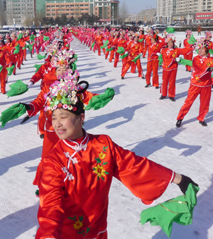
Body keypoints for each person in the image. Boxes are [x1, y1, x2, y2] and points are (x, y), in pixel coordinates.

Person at [35, 74, 197, 238]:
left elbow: (133, 165)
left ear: (81, 118)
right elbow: (50, 203)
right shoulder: (54, 161)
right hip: (66, 233)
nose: (57, 124)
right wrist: (49, 234)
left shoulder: (103, 145)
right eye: (54, 118)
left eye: (63, 117)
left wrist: (178, 178)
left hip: (98, 229)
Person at [176, 37, 213, 127]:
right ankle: (180, 117)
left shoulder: (211, 60)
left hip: (206, 85)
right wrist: (210, 68)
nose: (200, 51)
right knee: (188, 102)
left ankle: (201, 117)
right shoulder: (196, 59)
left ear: (206, 50)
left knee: (205, 103)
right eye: (199, 49)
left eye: (202, 49)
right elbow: (200, 68)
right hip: (195, 84)